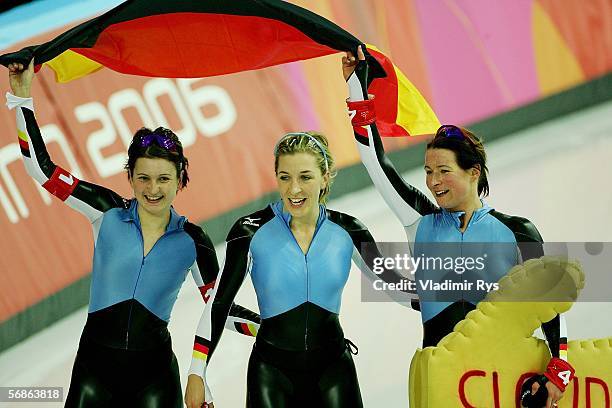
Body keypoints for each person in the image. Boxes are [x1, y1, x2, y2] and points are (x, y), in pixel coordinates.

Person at [6, 60, 259, 408]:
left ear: (180, 178)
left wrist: (277, 327)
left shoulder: (193, 241)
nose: (152, 189)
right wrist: (21, 98)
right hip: (93, 374)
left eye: (163, 179)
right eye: (143, 178)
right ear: (130, 176)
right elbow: (42, 169)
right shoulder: (105, 210)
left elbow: (221, 311)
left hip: (154, 382)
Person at [341, 46, 574, 408]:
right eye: (429, 172)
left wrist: (559, 366)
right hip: (445, 385)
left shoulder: (518, 231)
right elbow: (376, 161)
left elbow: (547, 304)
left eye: (444, 171)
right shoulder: (420, 220)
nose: (433, 182)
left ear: (473, 172)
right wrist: (358, 89)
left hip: (506, 381)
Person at [184, 131, 414, 408]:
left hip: (333, 372)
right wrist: (197, 371)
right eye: (285, 177)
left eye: (305, 177)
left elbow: (395, 286)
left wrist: (455, 292)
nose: (294, 189)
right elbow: (219, 303)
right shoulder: (250, 231)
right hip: (271, 375)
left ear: (325, 177)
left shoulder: (349, 230)